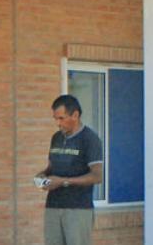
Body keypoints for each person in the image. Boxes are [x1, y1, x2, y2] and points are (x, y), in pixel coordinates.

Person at [36, 94, 103, 245]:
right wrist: (43, 176)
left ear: (75, 115)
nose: (58, 123)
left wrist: (63, 182)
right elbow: (52, 167)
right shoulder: (56, 138)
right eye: (55, 118)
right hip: (53, 207)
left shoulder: (90, 139)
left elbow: (97, 176)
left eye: (61, 118)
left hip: (78, 209)